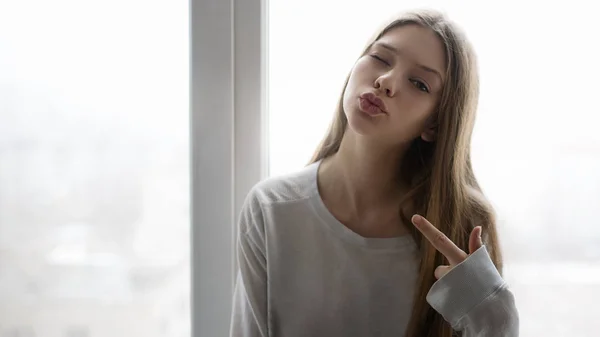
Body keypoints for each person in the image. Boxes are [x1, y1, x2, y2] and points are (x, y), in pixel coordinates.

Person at [230, 9, 519, 337]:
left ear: (435, 124)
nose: (386, 82)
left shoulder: (463, 223)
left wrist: (496, 315)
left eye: (419, 83)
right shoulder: (272, 209)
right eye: (381, 58)